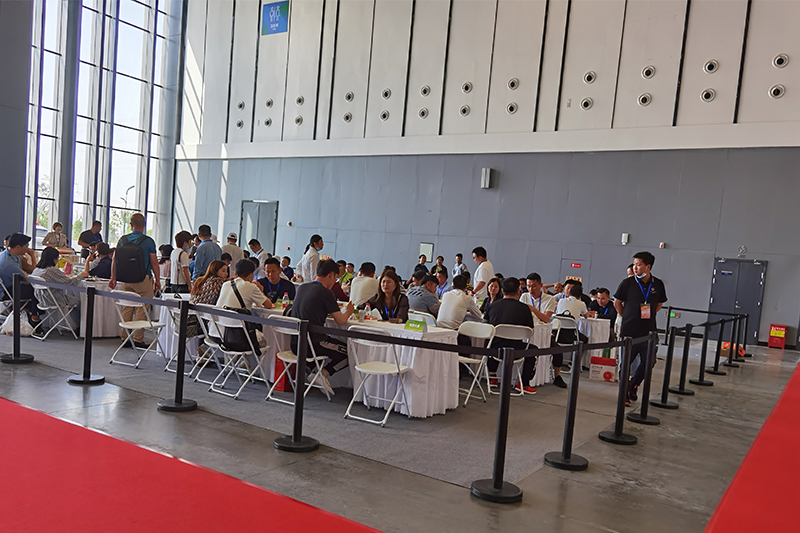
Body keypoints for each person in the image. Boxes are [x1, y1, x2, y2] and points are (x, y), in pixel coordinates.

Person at [290, 259, 355, 395]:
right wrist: (349, 311)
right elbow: (340, 321)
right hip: (313, 344)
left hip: (295, 343)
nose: (335, 282)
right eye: (336, 278)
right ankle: (322, 374)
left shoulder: (302, 287)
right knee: (349, 353)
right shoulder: (326, 293)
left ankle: (310, 369)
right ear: (331, 275)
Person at [614, 251, 667, 404]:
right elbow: (617, 303)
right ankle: (624, 394)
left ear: (648, 267)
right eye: (634, 265)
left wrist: (649, 315)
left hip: (649, 331)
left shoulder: (657, 284)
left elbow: (659, 303)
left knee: (649, 362)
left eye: (638, 265)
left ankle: (633, 385)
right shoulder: (627, 283)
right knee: (626, 364)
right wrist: (627, 316)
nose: (635, 268)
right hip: (629, 331)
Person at [109, 213, 160, 348]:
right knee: (141, 309)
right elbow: (154, 262)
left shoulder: (122, 240)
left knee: (127, 307)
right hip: (142, 280)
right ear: (144, 225)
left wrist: (113, 277)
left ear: (131, 225)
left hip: (125, 279)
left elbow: (114, 260)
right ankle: (138, 339)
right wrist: (157, 280)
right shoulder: (148, 241)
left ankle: (125, 337)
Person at [482, 277, 537, 394]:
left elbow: (485, 328)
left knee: (489, 340)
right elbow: (531, 331)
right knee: (533, 350)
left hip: (495, 349)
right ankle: (524, 383)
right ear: (518, 290)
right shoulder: (525, 308)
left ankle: (492, 376)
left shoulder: (493, 306)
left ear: (502, 290)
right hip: (516, 349)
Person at [520, 272, 565, 389]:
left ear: (541, 285)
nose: (531, 289)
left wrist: (533, 310)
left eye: (534, 286)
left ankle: (557, 376)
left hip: (543, 332)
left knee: (558, 350)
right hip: (526, 330)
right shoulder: (524, 296)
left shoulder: (549, 298)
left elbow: (546, 319)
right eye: (528, 286)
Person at [0, 233, 40, 322]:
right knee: (38, 291)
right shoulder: (8, 263)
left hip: (12, 286)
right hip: (7, 292)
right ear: (18, 247)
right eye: (26, 246)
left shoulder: (13, 256)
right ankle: (34, 317)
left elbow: (25, 272)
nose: (28, 248)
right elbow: (26, 279)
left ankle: (29, 314)